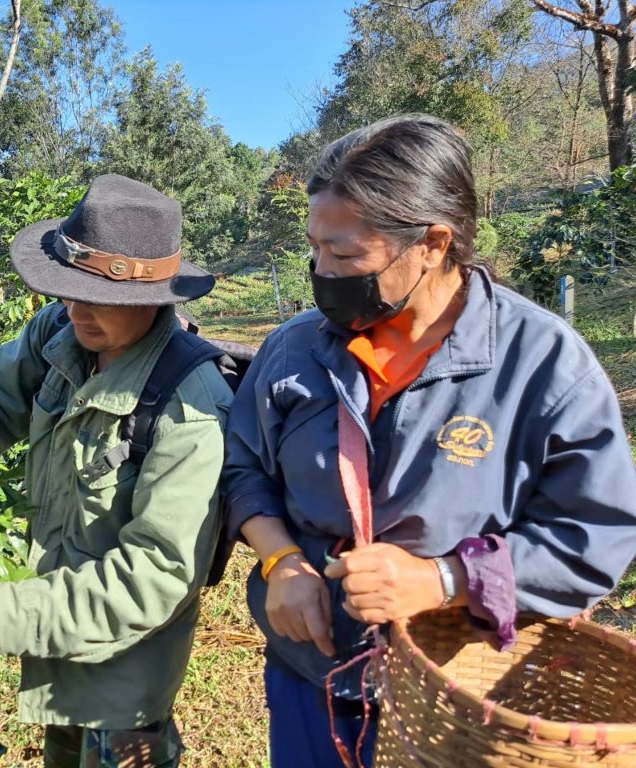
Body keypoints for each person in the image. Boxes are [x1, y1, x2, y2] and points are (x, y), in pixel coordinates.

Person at [223, 114, 636, 767]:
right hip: (313, 675)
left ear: (434, 243)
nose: (321, 270)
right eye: (315, 248)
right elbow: (243, 466)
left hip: (457, 696)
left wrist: (445, 579)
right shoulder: (293, 347)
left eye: (346, 254)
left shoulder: (544, 365)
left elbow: (593, 541)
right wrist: (281, 561)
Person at [0, 174, 233, 768]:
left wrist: (5, 611)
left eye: (96, 297)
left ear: (152, 301)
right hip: (59, 647)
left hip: (127, 676)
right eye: (65, 292)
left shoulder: (189, 406)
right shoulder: (63, 331)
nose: (74, 308)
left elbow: (155, 576)